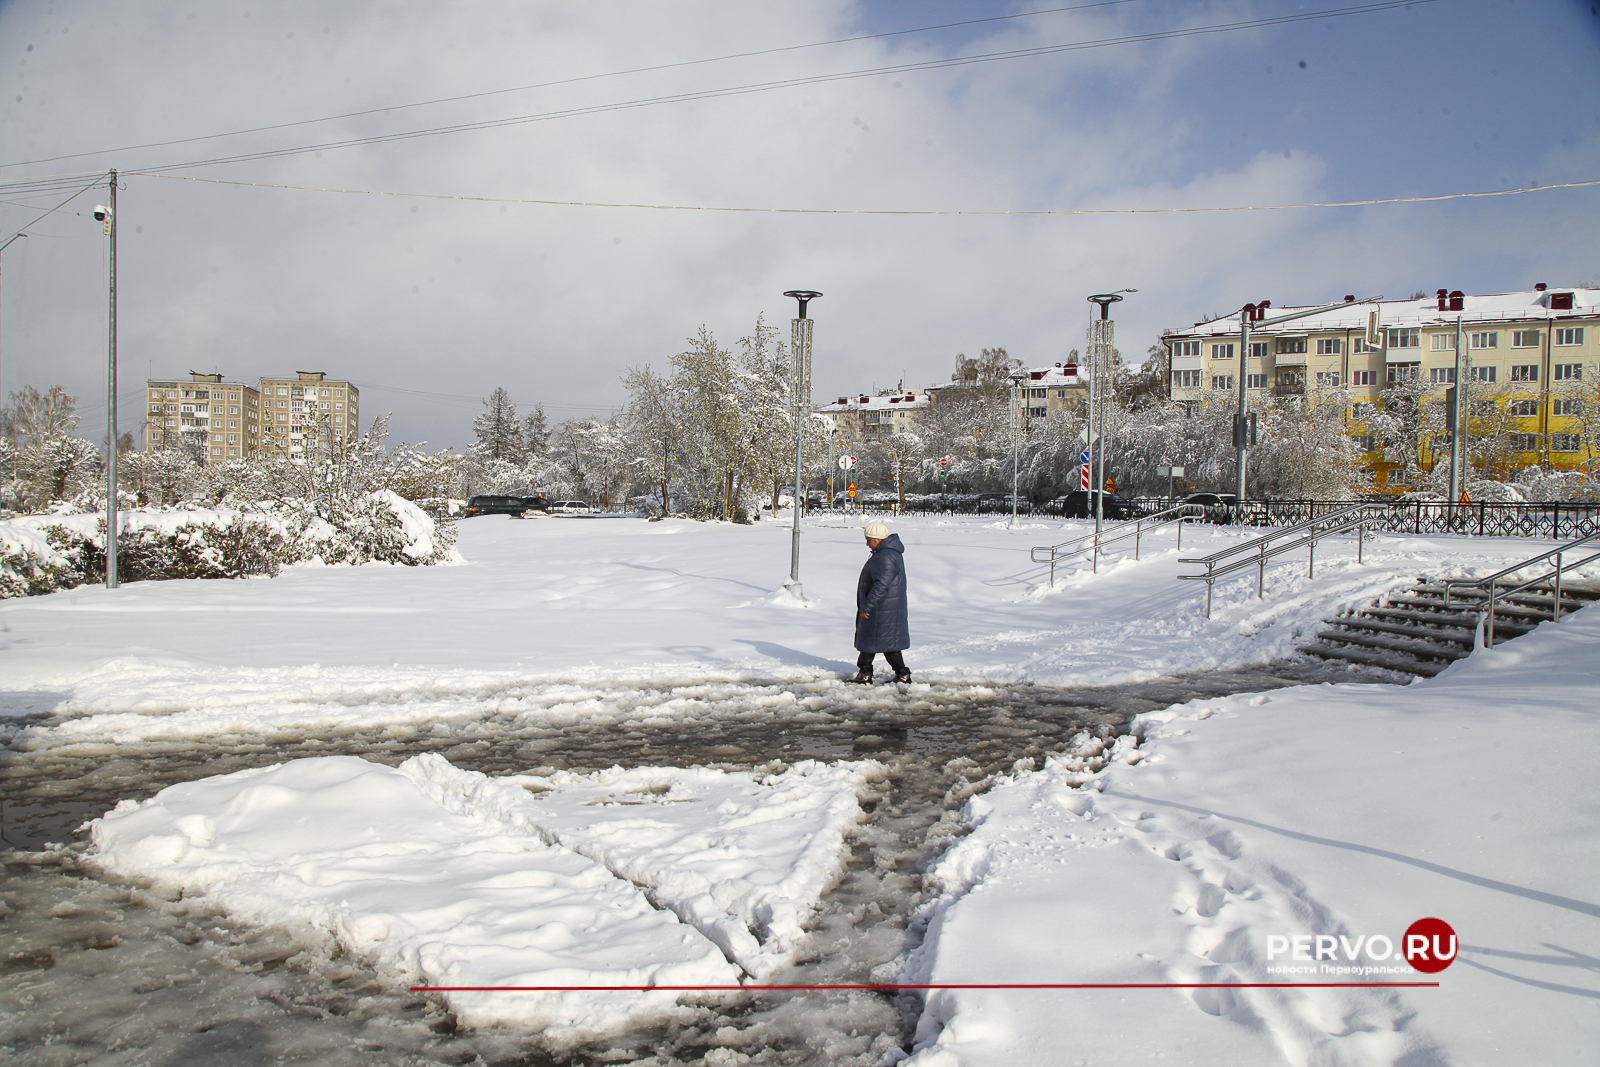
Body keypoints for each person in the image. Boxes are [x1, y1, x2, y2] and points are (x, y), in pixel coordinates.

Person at [851, 522, 911, 684]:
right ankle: (900, 673)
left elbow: (881, 585)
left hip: (881, 609)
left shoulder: (885, 556)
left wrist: (867, 605)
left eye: (869, 539)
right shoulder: (890, 553)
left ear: (878, 539)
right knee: (885, 642)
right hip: (887, 607)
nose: (867, 543)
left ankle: (866, 674)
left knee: (873, 642)